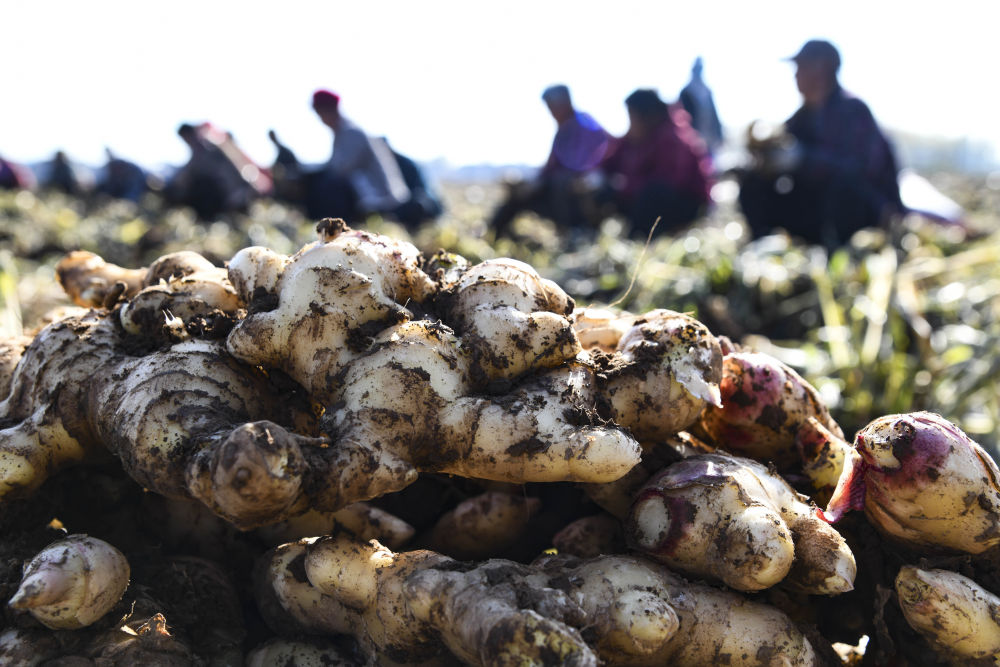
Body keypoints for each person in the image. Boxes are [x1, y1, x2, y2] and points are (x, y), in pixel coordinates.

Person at [737, 39, 903, 250]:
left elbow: (858, 171)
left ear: (823, 69)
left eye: (802, 67)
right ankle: (766, 247)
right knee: (753, 183)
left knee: (843, 188)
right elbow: (782, 145)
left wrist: (803, 160)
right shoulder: (801, 118)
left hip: (863, 215)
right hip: (817, 213)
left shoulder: (854, 111)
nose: (796, 75)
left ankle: (841, 252)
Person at [489, 84, 610, 237]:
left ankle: (574, 232)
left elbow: (597, 161)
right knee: (518, 193)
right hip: (555, 190)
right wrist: (529, 184)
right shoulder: (563, 131)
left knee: (561, 181)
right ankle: (493, 232)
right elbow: (550, 168)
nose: (551, 112)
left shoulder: (585, 125)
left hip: (577, 196)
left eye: (553, 106)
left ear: (566, 102)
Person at [600, 89, 714, 238]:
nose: (630, 124)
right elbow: (608, 163)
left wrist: (625, 187)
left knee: (652, 194)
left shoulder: (672, 137)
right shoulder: (634, 138)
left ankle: (643, 236)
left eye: (632, 117)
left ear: (648, 117)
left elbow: (669, 182)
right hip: (647, 198)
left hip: (685, 205)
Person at [309, 89, 410, 222]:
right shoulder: (341, 133)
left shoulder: (351, 132)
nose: (321, 120)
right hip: (370, 197)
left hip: (381, 198)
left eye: (320, 114)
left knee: (328, 185)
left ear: (329, 110)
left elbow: (342, 169)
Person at [165, 122, 265, 220]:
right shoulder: (199, 156)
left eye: (187, 138)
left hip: (238, 195)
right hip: (231, 199)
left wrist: (248, 188)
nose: (188, 142)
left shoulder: (212, 149)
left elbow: (236, 167)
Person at [679, 57, 724, 155]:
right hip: (692, 139)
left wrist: (719, 135)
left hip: (709, 138)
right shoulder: (686, 91)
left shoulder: (707, 90)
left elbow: (714, 115)